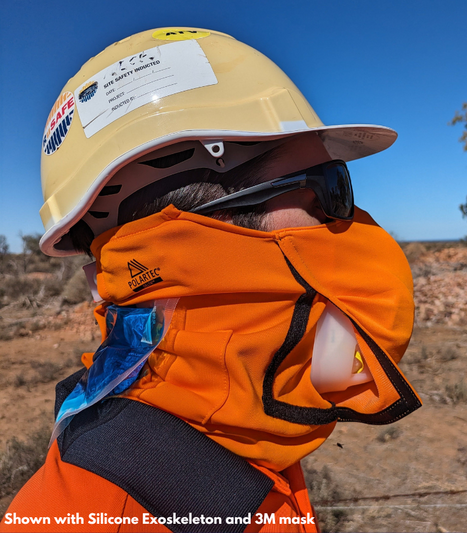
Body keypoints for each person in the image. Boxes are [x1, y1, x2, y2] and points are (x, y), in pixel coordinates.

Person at [1, 27, 421, 533]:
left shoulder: (245, 426)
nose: (355, 222)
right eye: (330, 190)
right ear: (191, 249)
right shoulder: (94, 515)